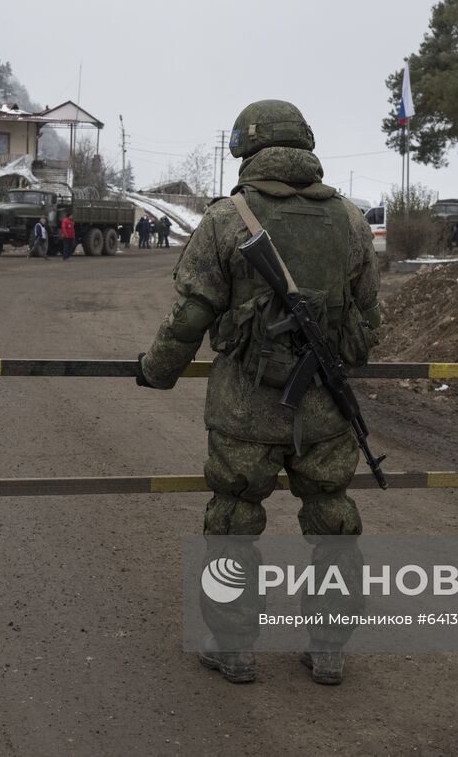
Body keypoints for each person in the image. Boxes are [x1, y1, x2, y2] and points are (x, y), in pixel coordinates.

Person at [136, 100, 379, 685]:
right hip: (325, 410)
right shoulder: (350, 219)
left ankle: (235, 647)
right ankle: (327, 650)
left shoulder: (228, 218)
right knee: (332, 519)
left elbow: (193, 312)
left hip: (245, 408)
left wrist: (159, 369)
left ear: (247, 149)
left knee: (233, 522)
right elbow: (366, 323)